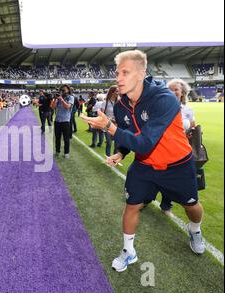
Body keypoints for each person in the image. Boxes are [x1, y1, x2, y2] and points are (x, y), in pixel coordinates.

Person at [81, 50, 205, 272]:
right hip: (144, 166)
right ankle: (129, 251)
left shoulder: (163, 98)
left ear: (141, 73)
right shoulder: (121, 105)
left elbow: (146, 142)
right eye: (117, 72)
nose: (118, 78)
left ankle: (195, 230)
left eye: (125, 72)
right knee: (132, 205)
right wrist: (120, 152)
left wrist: (109, 127)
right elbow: (131, 134)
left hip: (177, 165)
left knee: (191, 206)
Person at [158, 79, 197, 215]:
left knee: (170, 177)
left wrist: (193, 133)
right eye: (170, 89)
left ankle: (166, 205)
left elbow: (192, 127)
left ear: (182, 93)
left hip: (179, 150)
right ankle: (144, 199)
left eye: (176, 89)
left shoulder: (188, 110)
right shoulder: (161, 107)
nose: (173, 92)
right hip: (161, 148)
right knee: (154, 173)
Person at [50, 85, 74, 159]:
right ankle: (57, 151)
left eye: (64, 90)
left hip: (65, 121)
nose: (62, 92)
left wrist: (61, 99)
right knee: (57, 138)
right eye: (61, 90)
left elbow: (67, 107)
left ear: (68, 90)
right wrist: (54, 99)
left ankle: (66, 153)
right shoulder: (59, 98)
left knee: (66, 138)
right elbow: (52, 107)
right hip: (57, 120)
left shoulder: (71, 97)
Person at [102, 85, 119, 157]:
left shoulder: (119, 102)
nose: (118, 93)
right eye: (117, 91)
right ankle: (108, 158)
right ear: (112, 92)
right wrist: (110, 119)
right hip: (107, 125)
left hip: (117, 126)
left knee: (117, 144)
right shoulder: (105, 102)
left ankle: (114, 159)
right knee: (109, 143)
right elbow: (102, 115)